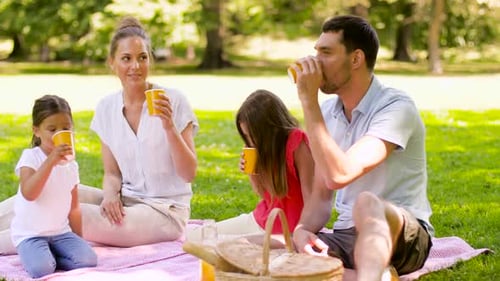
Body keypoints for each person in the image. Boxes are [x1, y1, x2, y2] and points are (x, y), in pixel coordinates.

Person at [0, 16, 198, 253]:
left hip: (165, 212)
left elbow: (188, 173)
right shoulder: (106, 108)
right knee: (49, 191)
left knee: (63, 210)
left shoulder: (174, 101)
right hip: (125, 200)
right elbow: (112, 173)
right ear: (112, 62)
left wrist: (168, 126)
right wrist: (111, 195)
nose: (135, 66)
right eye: (126, 58)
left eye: (142, 58)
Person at [289, 15, 434, 281]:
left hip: (403, 237)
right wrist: (302, 229)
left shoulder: (396, 108)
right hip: (348, 237)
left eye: (326, 53)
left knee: (367, 201)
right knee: (280, 258)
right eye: (316, 52)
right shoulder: (327, 112)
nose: (315, 62)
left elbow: (339, 175)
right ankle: (367, 276)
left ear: (356, 59)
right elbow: (322, 195)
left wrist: (308, 100)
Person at [187, 89, 314, 241]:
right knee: (196, 237)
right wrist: (252, 171)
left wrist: (302, 234)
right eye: (246, 136)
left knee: (224, 245)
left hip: (286, 231)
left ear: (270, 128)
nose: (251, 141)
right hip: (261, 220)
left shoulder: (296, 142)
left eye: (254, 135)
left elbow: (312, 197)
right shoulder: (260, 148)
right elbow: (262, 194)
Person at [11, 95, 97, 278]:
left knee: (88, 260)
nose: (60, 133)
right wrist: (51, 161)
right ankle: (41, 257)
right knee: (41, 269)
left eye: (66, 128)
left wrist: (78, 240)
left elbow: (74, 209)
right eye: (52, 129)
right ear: (36, 131)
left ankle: (50, 257)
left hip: (60, 232)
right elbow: (29, 193)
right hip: (31, 234)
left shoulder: (71, 166)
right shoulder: (31, 157)